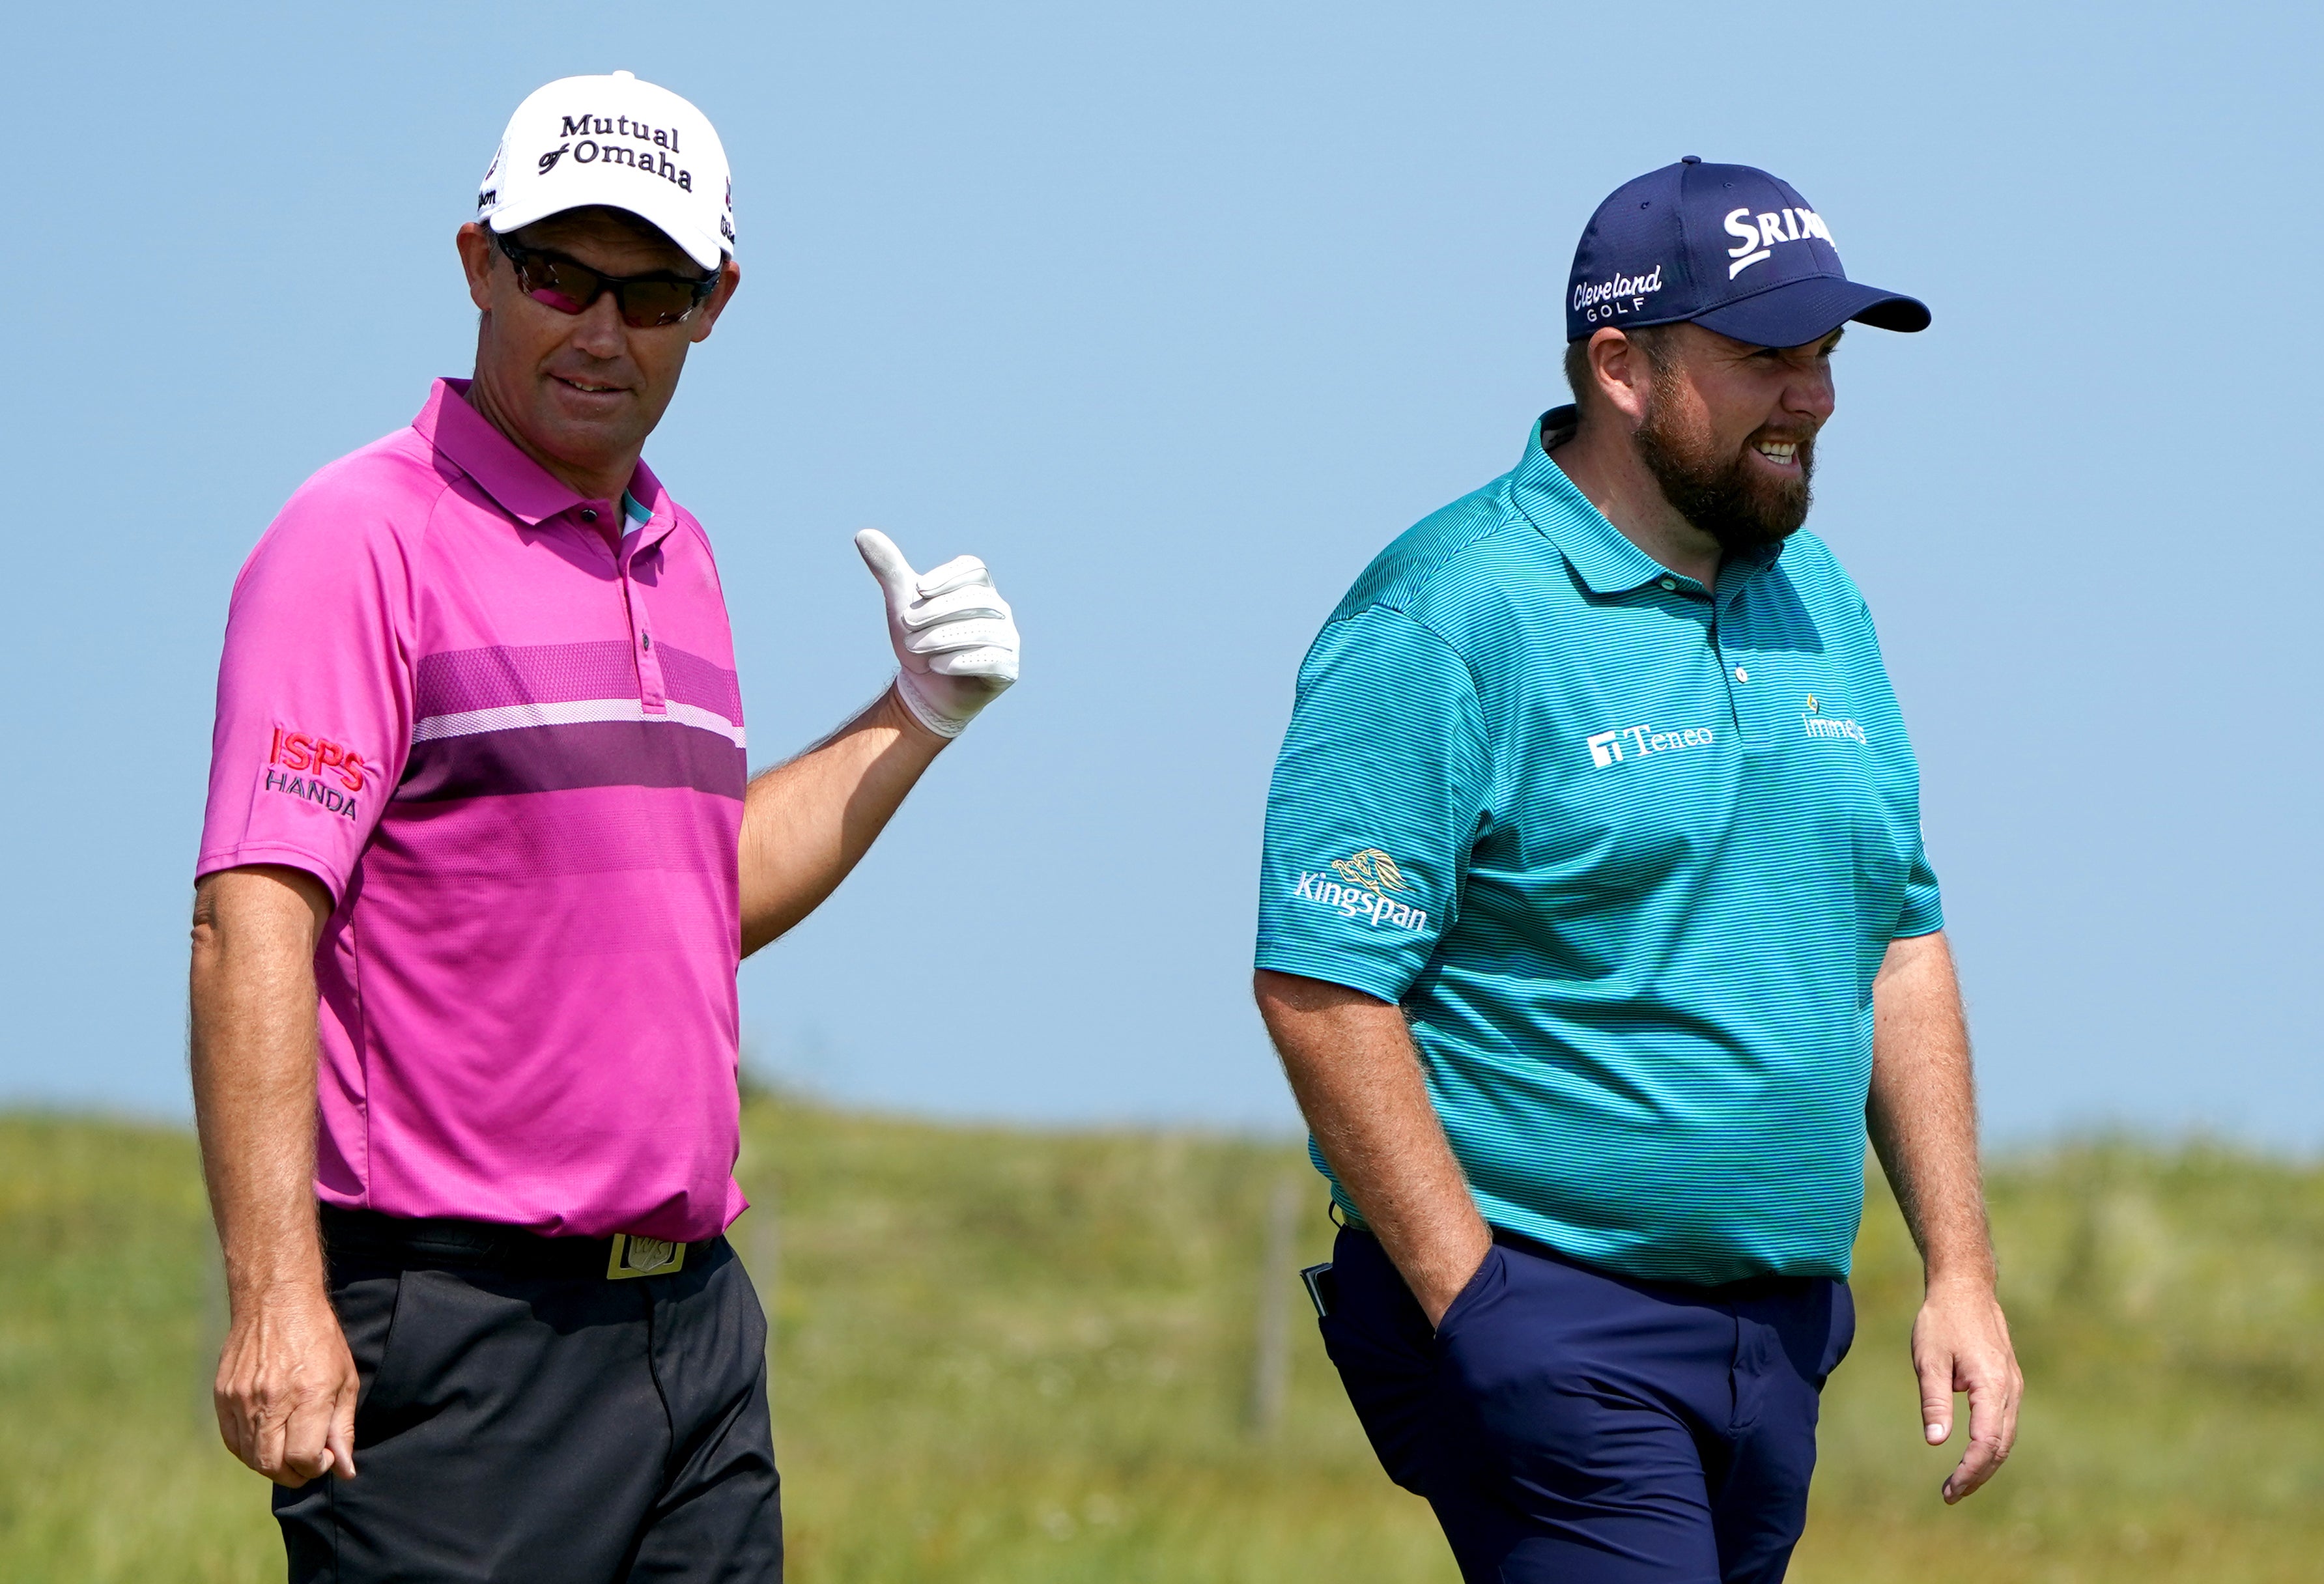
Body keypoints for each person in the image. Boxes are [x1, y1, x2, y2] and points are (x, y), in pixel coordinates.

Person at [188, 70, 1019, 1581]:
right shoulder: (357, 540)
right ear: (476, 262)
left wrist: (916, 716)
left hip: (688, 1327)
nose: (598, 327)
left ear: (715, 303)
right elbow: (253, 917)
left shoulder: (676, 553)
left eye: (651, 292)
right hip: (453, 1338)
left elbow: (699, 898)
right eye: (557, 273)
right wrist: (272, 1296)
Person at [1252, 157, 2021, 1583]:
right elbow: (1322, 985)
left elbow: (1898, 935)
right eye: (1764, 356)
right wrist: (1475, 1303)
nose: (1815, 394)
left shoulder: (1819, 595)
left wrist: (1956, 1270)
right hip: (1548, 1313)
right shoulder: (1446, 612)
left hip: (1779, 1334)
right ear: (1619, 366)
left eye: (1823, 353)